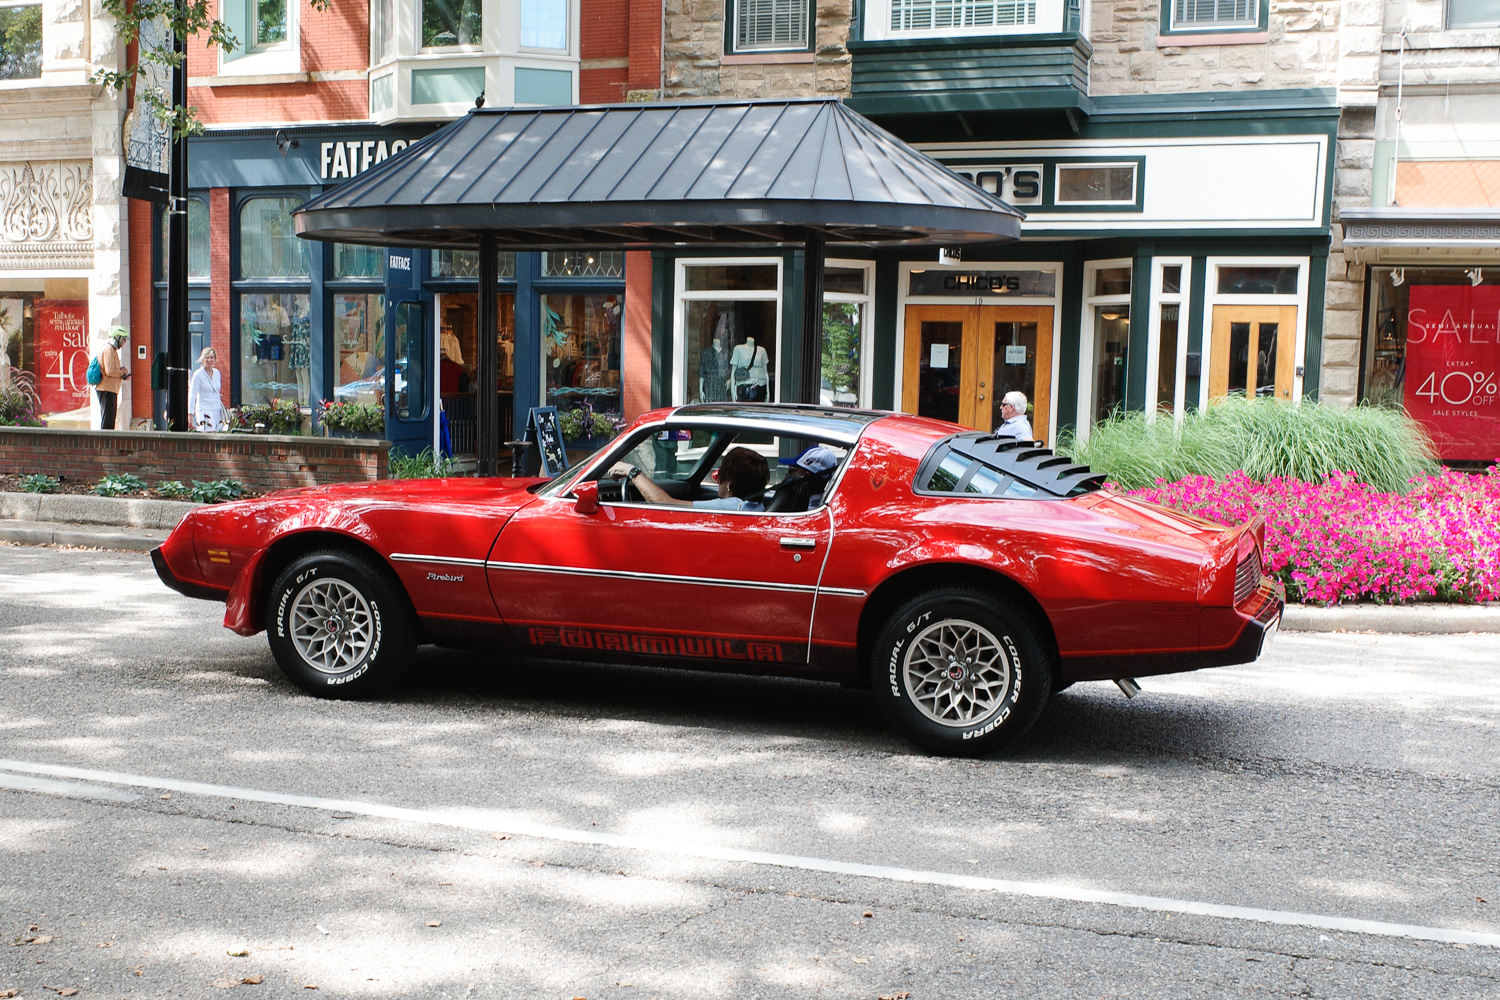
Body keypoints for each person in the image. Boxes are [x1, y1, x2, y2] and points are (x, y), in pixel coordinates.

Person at [611, 446, 769, 512]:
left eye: (721, 473)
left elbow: (664, 503)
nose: (718, 478)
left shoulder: (733, 506)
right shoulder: (755, 506)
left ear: (729, 484)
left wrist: (631, 471)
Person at [95, 329, 129, 429]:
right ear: (117, 338)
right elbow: (109, 371)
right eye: (123, 339)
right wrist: (122, 372)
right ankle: (105, 443)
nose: (124, 342)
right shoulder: (108, 349)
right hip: (106, 390)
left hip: (111, 389)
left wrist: (121, 373)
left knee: (110, 420)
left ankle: (108, 442)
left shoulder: (112, 350)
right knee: (107, 421)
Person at [188, 347, 225, 432]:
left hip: (216, 410)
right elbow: (192, 395)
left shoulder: (217, 373)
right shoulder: (198, 375)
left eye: (212, 357)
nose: (209, 360)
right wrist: (190, 414)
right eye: (207, 357)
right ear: (202, 360)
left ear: (215, 359)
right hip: (204, 410)